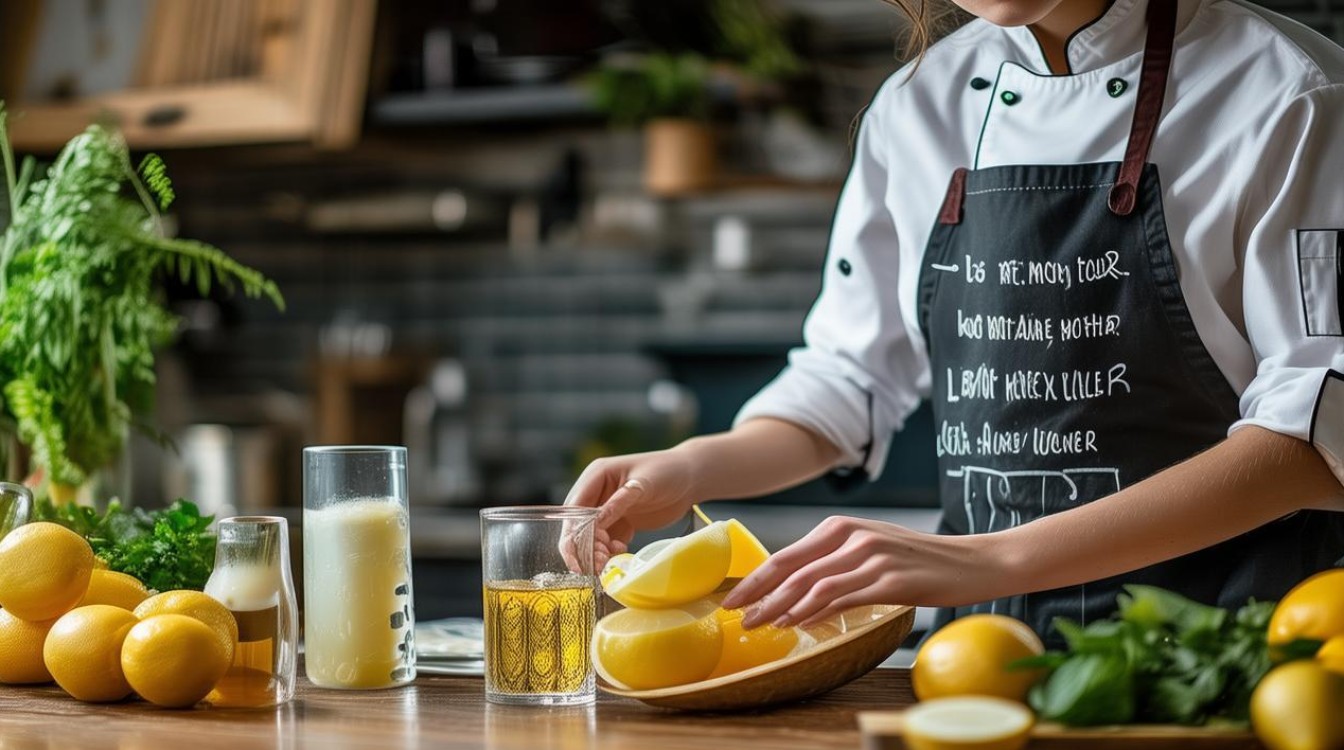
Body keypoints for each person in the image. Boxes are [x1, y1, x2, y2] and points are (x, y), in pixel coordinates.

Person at [567, 0, 1344, 642]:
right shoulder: (915, 107)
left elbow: (1316, 435)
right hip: (984, 655)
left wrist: (991, 559)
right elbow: (848, 378)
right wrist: (695, 464)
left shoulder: (1288, 94)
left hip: (1234, 646)